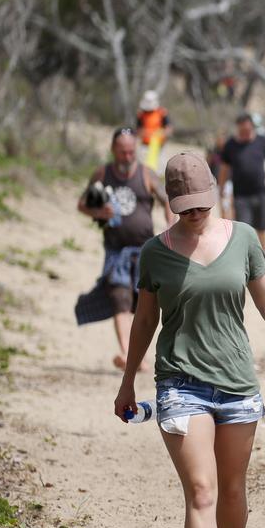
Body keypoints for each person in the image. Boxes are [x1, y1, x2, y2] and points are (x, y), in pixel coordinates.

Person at [113, 152, 265, 528]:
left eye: (201, 205)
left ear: (215, 195)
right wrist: (128, 378)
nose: (195, 214)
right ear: (171, 202)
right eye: (185, 206)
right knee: (201, 489)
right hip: (180, 383)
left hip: (237, 383)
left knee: (233, 491)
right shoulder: (155, 251)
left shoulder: (244, 239)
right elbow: (145, 320)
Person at [75, 127, 176, 370]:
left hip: (145, 250)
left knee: (142, 302)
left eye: (131, 151)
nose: (128, 156)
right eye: (122, 152)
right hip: (115, 250)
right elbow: (82, 204)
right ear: (113, 151)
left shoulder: (146, 174)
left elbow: (168, 203)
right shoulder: (102, 174)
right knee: (119, 297)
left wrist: (171, 228)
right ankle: (129, 354)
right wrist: (99, 212)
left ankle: (136, 354)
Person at [218, 114, 265, 256]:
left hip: (260, 193)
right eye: (242, 131)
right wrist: (221, 187)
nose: (246, 134)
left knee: (262, 228)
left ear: (252, 127)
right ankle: (246, 259)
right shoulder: (231, 145)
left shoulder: (262, 141)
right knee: (243, 229)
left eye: (248, 130)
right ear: (238, 128)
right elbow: (224, 169)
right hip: (240, 196)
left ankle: (263, 258)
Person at [136, 91, 173, 171]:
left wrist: (161, 134)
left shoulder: (162, 113)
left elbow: (169, 128)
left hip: (159, 147)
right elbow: (138, 130)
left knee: (160, 169)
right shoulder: (141, 114)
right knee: (144, 168)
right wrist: (146, 134)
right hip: (145, 147)